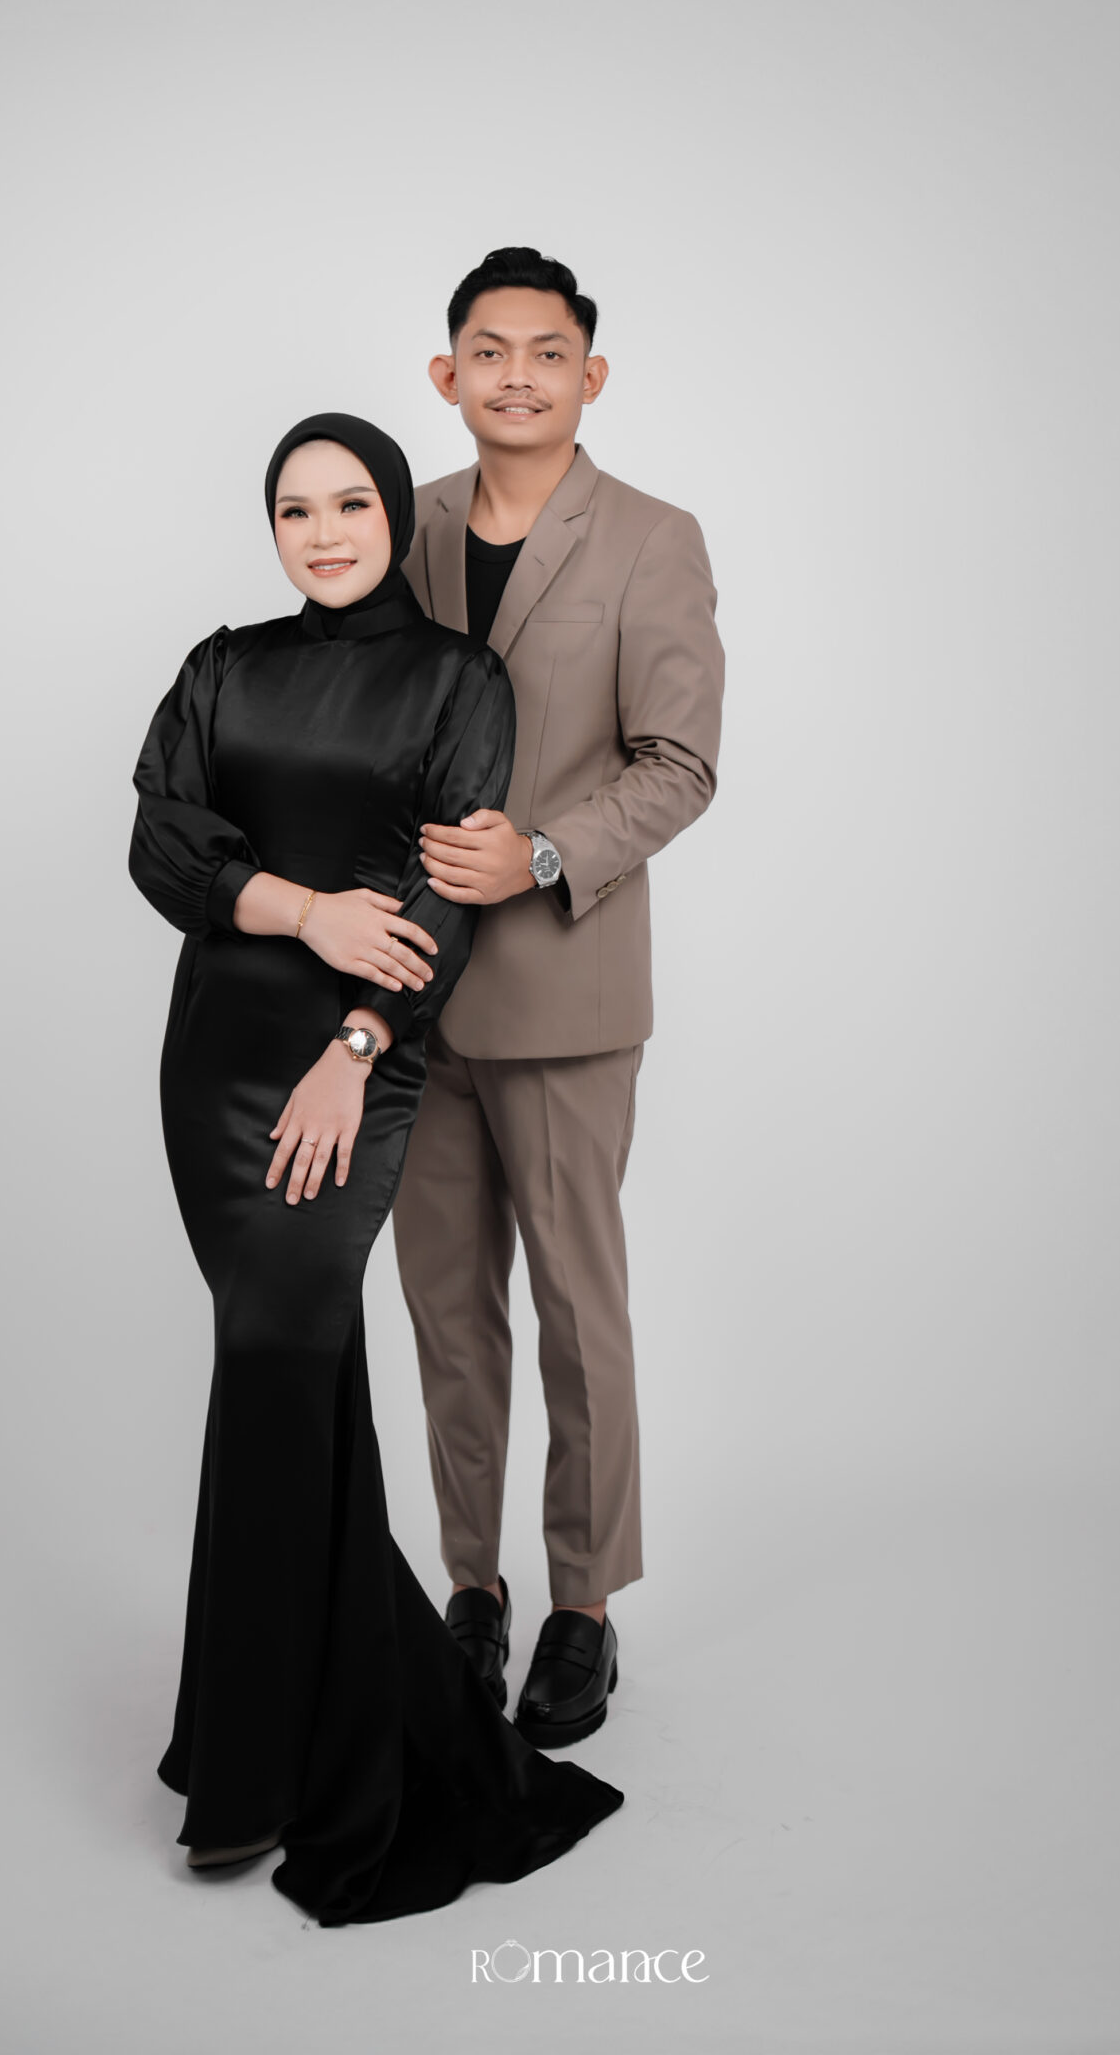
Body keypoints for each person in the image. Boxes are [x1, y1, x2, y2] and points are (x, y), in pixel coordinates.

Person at [127, 411, 623, 1926]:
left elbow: (442, 899)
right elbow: (160, 845)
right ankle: (277, 1728)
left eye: (351, 504)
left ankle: (257, 1766)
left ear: (394, 518)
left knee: (280, 1363)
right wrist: (299, 908)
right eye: (296, 510)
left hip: (351, 1058)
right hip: (217, 1058)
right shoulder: (222, 667)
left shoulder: (459, 681)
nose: (325, 532)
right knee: (285, 1375)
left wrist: (354, 1042)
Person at [395, 248, 724, 1747]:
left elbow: (680, 765)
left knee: (578, 1314)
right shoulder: (401, 526)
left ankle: (583, 1606)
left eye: (545, 353)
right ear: (446, 374)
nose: (515, 375)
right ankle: (473, 1590)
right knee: (447, 1316)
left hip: (566, 991)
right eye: (488, 350)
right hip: (414, 991)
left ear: (590, 377)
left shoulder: (653, 539)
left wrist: (537, 853)